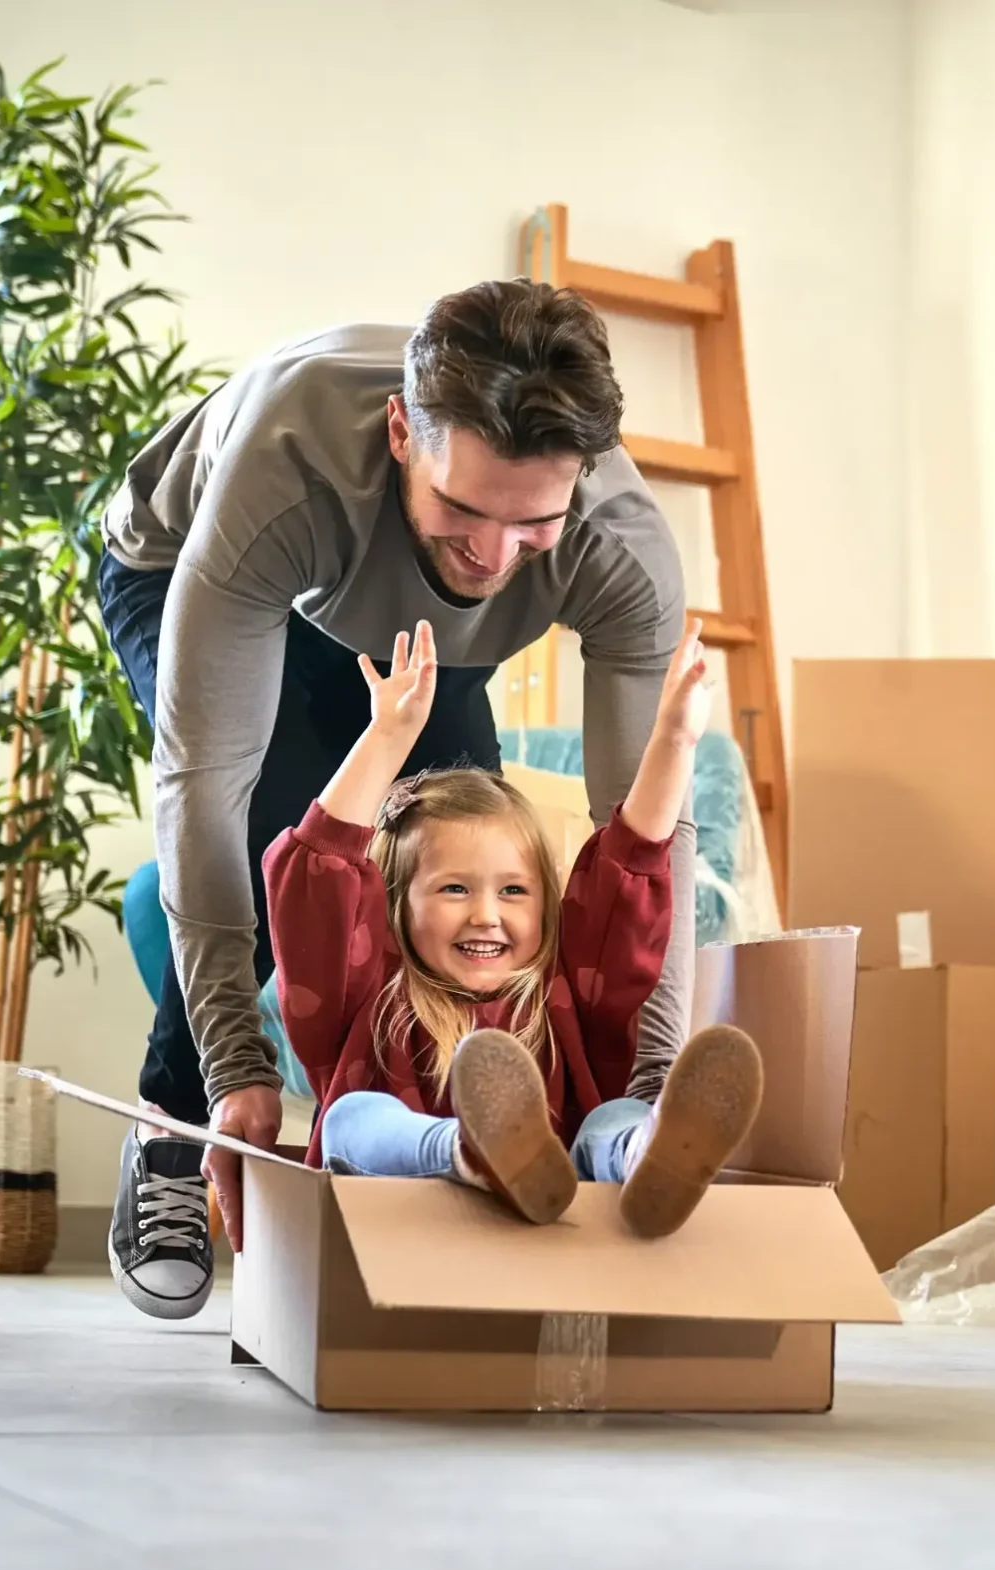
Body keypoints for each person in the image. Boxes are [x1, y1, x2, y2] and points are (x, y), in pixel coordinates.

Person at [97, 281, 694, 1316]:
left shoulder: (618, 547)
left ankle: (449, 1142)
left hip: (410, 619)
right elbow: (207, 785)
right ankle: (170, 1124)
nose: (494, 555)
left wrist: (650, 1086)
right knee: (287, 821)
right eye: (466, 508)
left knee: (463, 854)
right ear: (400, 435)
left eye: (533, 524)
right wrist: (235, 1065)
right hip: (194, 560)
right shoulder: (285, 476)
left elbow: (645, 831)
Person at [263, 619, 761, 1237]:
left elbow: (631, 870)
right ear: (394, 904)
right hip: (398, 1217)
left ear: (547, 905)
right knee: (349, 1117)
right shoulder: (368, 989)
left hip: (558, 1205)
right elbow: (317, 882)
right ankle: (468, 1151)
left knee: (616, 1117)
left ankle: (645, 1158)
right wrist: (386, 737)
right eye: (454, 889)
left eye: (513, 891)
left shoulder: (566, 991)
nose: (486, 914)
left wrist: (675, 740)